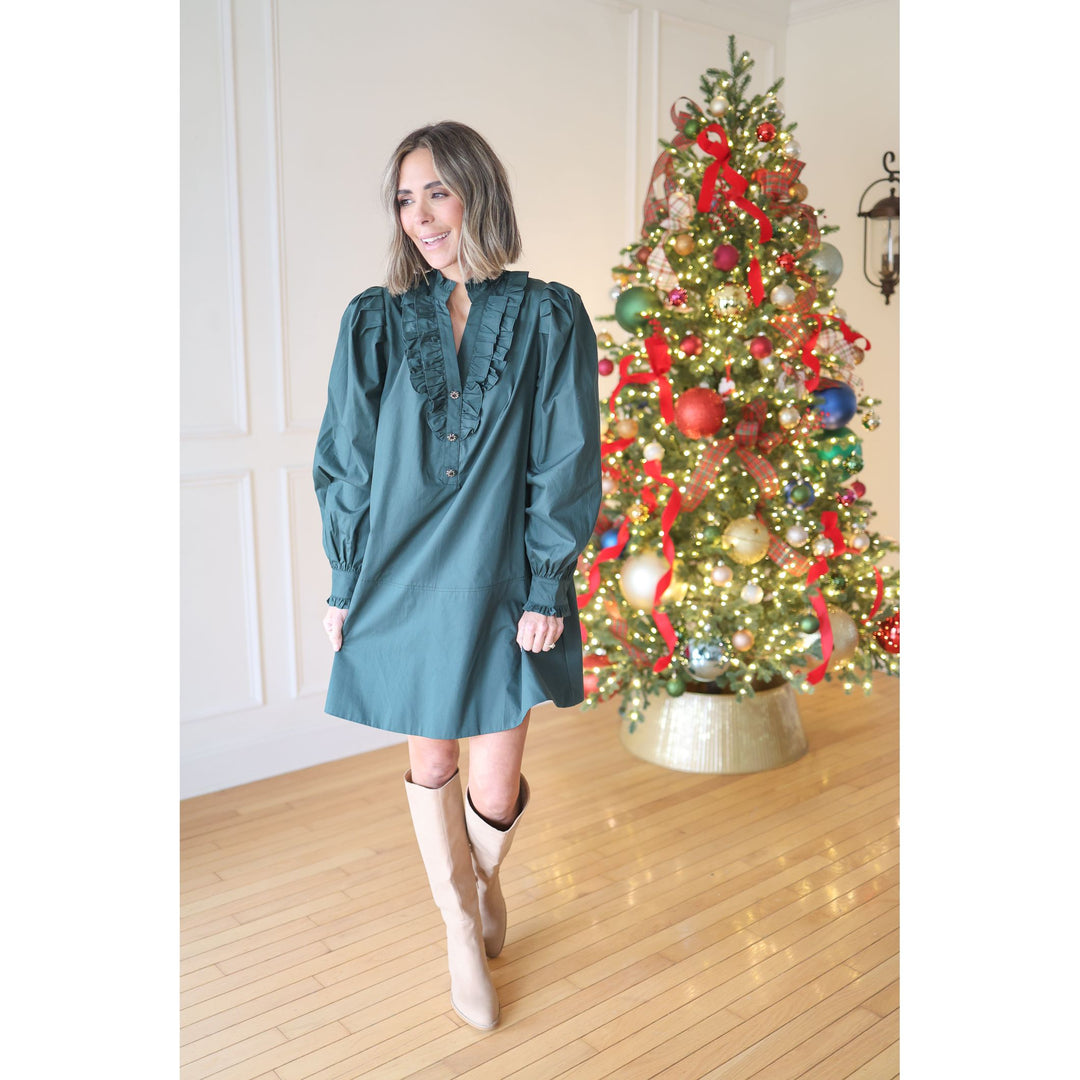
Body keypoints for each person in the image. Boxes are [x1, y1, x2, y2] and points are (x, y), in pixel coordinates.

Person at [313, 121, 601, 1031]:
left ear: (477, 192)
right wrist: (344, 577)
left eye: (436, 191)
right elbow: (347, 460)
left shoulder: (549, 313)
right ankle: (457, 932)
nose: (421, 215)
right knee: (432, 757)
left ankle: (478, 889)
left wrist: (550, 581)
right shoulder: (376, 318)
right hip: (401, 572)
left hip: (505, 572)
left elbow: (566, 454)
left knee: (494, 779)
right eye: (406, 197)